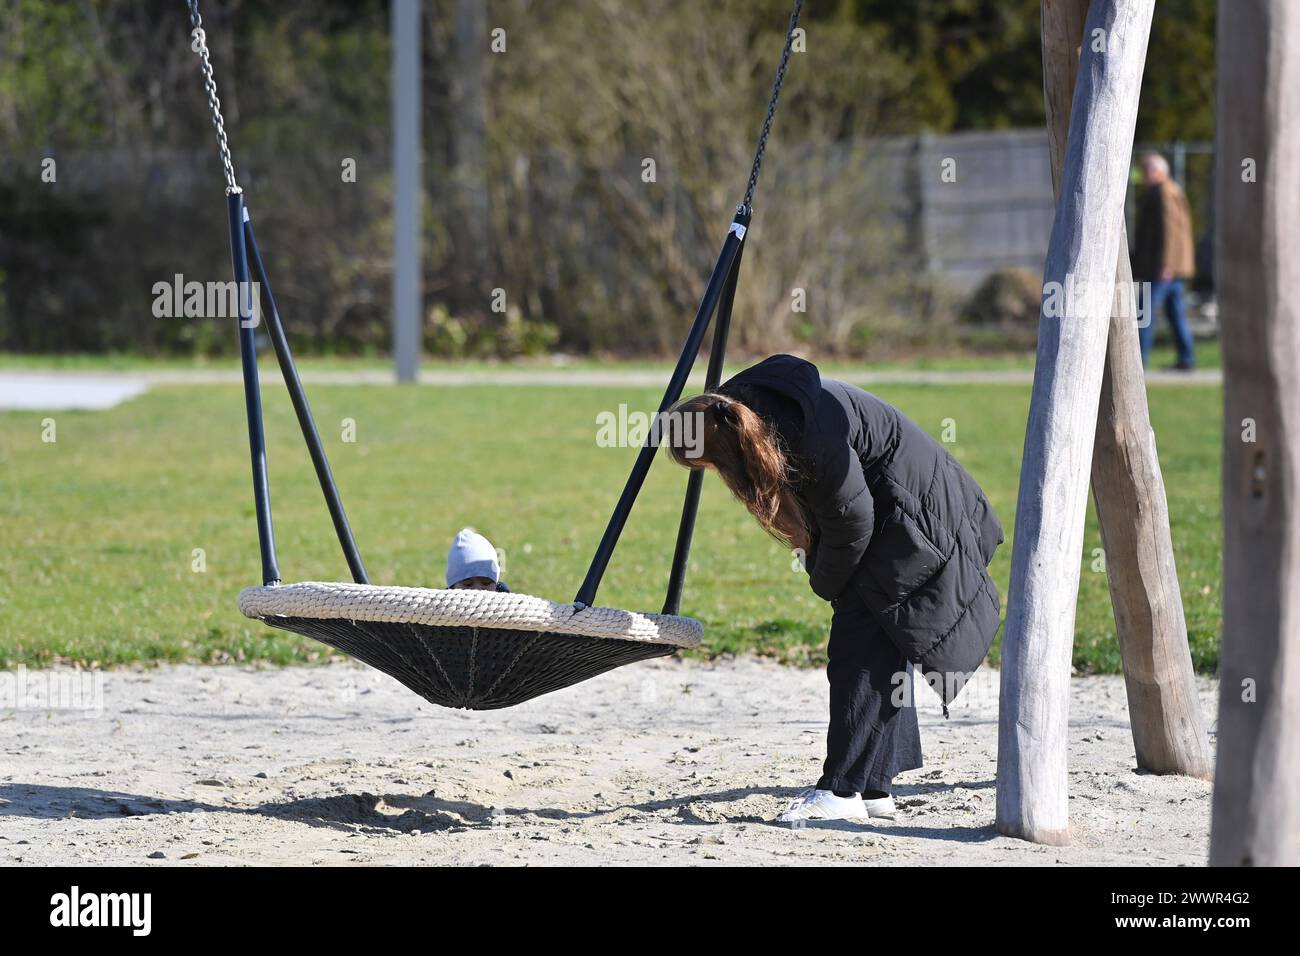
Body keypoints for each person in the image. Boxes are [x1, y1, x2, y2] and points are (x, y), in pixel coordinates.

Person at [665, 354, 1003, 824]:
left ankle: (841, 791)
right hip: (906, 509)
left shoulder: (804, 434)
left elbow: (852, 521)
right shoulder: (759, 413)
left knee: (855, 646)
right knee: (883, 639)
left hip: (917, 517)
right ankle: (872, 787)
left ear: (723, 448)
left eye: (708, 464)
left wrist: (826, 582)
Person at [1131, 151, 1197, 370]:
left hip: (1162, 267)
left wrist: (1167, 264)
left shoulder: (1163, 193)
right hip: (1172, 267)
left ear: (1158, 171)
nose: (1143, 174)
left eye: (1147, 169)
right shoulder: (1170, 190)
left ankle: (1138, 360)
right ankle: (1186, 358)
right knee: (1175, 313)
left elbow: (1170, 232)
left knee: (1144, 312)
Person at [445, 527, 510, 591]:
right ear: (452, 587)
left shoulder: (505, 598)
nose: (478, 589)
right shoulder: (445, 600)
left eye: (486, 583)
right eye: (468, 584)